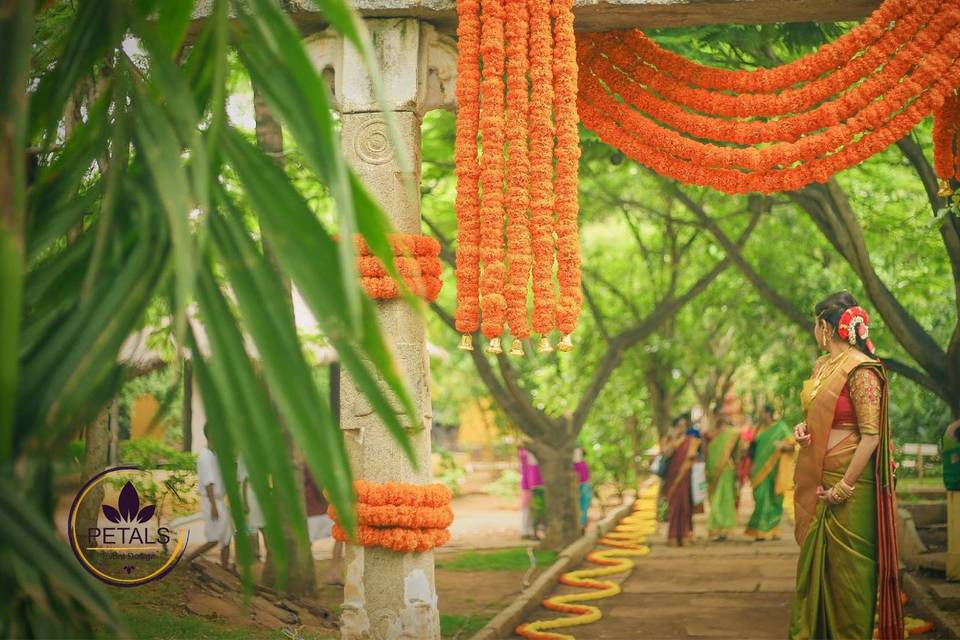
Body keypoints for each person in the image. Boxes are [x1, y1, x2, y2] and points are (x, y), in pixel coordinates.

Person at [790, 292, 902, 640]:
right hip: (820, 471)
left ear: (824, 326)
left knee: (848, 578)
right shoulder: (822, 366)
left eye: (815, 324)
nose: (814, 330)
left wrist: (844, 486)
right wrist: (804, 431)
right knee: (816, 573)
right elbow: (817, 417)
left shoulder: (862, 369)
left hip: (852, 486)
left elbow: (870, 436)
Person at [745, 404, 794, 541]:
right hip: (759, 470)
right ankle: (760, 530)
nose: (761, 416)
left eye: (762, 413)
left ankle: (772, 529)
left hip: (775, 470)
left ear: (769, 413)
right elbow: (752, 451)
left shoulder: (780, 427)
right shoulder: (757, 429)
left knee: (775, 499)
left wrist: (783, 446)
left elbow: (792, 445)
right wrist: (750, 467)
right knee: (760, 498)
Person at [189, 424, 234, 567]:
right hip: (211, 500)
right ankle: (186, 561)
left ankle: (225, 568)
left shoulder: (215, 455)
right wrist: (214, 506)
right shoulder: (205, 456)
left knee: (226, 539)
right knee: (214, 539)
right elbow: (209, 483)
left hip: (220, 501)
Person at [660, 414, 700, 547]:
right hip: (672, 478)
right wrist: (673, 438)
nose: (682, 428)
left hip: (685, 478)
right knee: (673, 508)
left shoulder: (691, 440)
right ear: (674, 427)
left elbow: (693, 457)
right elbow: (666, 453)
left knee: (685, 507)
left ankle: (684, 535)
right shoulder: (667, 439)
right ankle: (672, 536)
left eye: (684, 426)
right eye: (679, 426)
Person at [304, 469, 344, 585]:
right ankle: (332, 573)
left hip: (316, 509)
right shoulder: (309, 461)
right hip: (314, 510)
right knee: (339, 536)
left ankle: (333, 573)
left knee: (340, 536)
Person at [705, 416, 738, 541]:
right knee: (716, 499)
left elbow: (738, 451)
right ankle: (719, 528)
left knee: (724, 498)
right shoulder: (710, 433)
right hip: (713, 470)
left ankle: (723, 528)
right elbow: (706, 452)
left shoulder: (732, 433)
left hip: (726, 469)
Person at [237, 457, 265, 561]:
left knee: (256, 525)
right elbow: (244, 482)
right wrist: (245, 502)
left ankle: (255, 554)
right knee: (252, 526)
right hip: (249, 495)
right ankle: (254, 555)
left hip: (254, 494)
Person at [573, 447, 592, 532]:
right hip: (580, 486)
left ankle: (583, 523)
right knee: (581, 505)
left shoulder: (583, 463)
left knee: (585, 505)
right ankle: (581, 524)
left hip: (585, 485)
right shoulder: (574, 464)